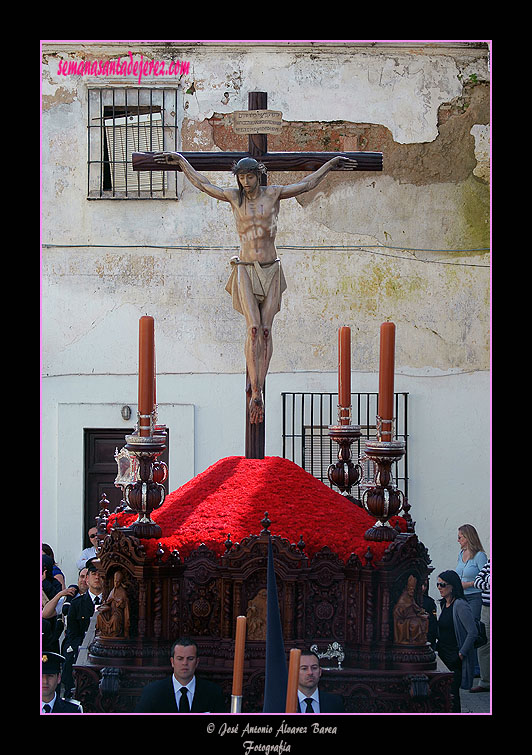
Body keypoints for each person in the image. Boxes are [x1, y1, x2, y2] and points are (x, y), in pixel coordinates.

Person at [153, 151, 357, 424]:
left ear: (258, 175)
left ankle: (261, 382)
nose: (246, 182)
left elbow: (307, 184)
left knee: (266, 331)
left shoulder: (273, 194)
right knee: (252, 329)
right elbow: (203, 184)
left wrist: (330, 165)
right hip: (246, 269)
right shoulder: (234, 198)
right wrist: (181, 162)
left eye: (250, 176)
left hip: (271, 268)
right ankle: (256, 390)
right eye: (241, 177)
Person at [135, 638, 226, 713]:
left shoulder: (214, 693)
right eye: (180, 659)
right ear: (172, 662)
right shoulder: (152, 692)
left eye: (190, 659)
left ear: (197, 662)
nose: (185, 663)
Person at [436, 570, 478, 713]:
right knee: (443, 696)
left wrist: (461, 654)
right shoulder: (444, 604)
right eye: (438, 585)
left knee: (453, 696)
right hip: (443, 654)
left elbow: (472, 632)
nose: (440, 588)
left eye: (443, 584)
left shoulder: (460, 605)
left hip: (454, 656)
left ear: (452, 586)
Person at [60, 558, 104, 697]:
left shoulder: (111, 602)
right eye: (93, 574)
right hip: (82, 650)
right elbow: (73, 633)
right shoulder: (77, 604)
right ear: (87, 579)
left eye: (100, 574)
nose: (97, 577)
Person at [455, 524, 488, 621]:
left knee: (472, 623)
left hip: (474, 596)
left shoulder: (480, 556)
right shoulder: (461, 554)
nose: (458, 540)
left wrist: (469, 584)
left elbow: (486, 578)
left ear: (467, 538)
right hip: (461, 595)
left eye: (460, 537)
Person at [296, 649, 345, 713]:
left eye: (314, 668)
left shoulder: (335, 703)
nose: (310, 672)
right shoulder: (284, 702)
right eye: (304, 668)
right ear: (294, 672)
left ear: (320, 672)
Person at [470, 559, 490, 693]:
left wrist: (487, 579)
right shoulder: (489, 562)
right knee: (484, 645)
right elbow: (477, 580)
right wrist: (488, 581)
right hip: (486, 608)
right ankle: (485, 682)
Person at [421, 578, 438, 650]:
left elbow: (433, 623)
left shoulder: (429, 602)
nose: (423, 588)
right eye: (421, 585)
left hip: (427, 638)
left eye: (425, 585)